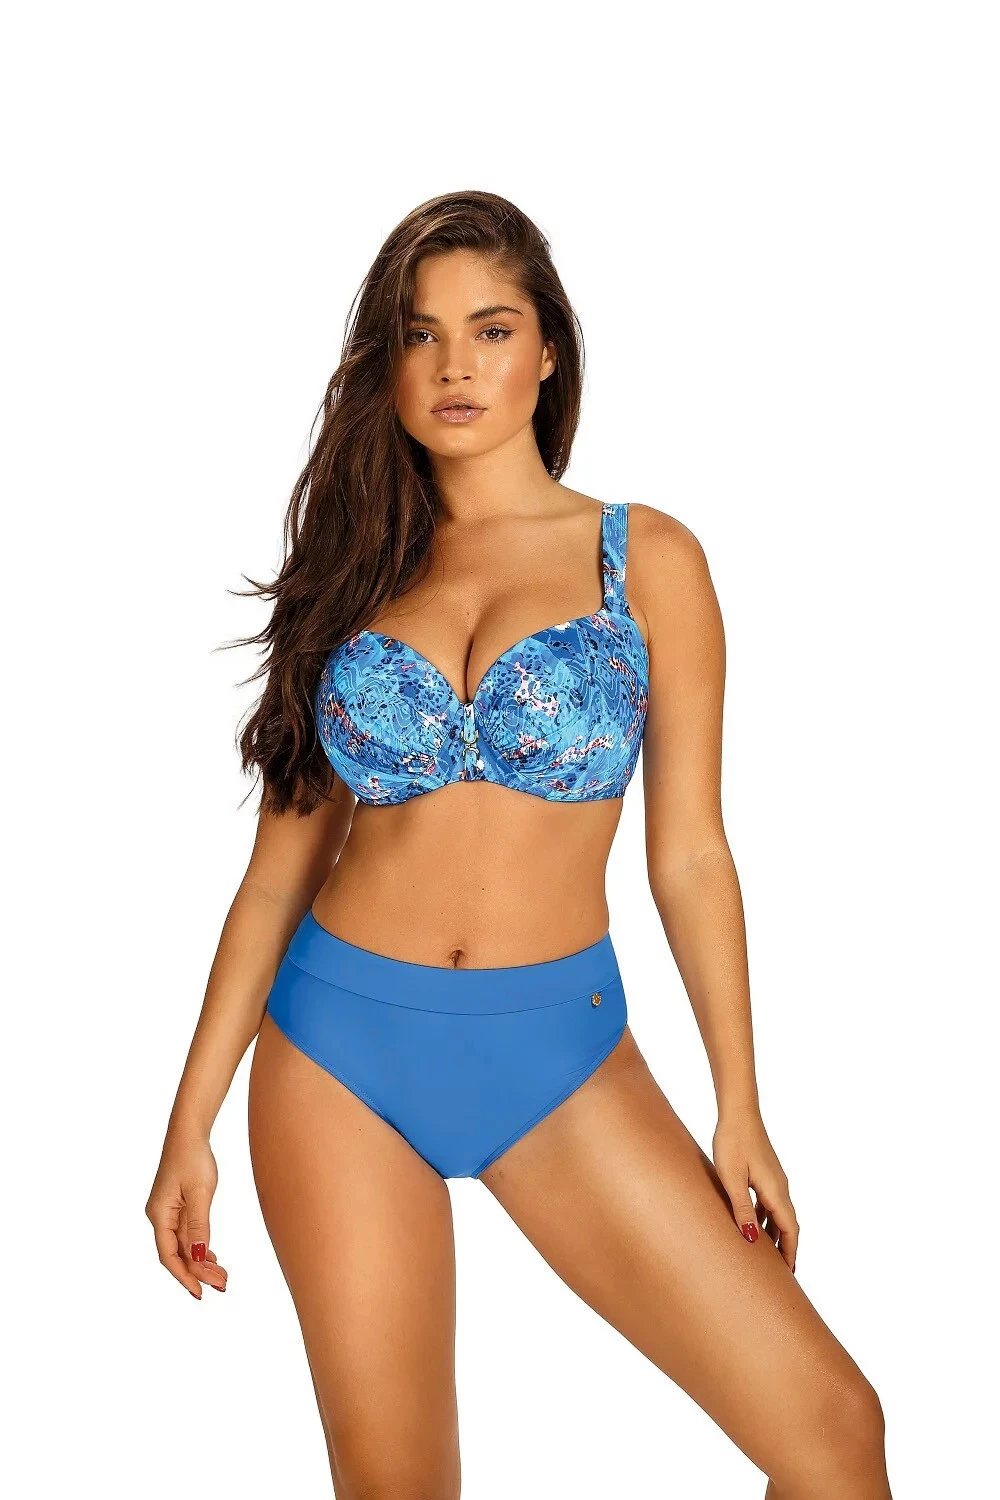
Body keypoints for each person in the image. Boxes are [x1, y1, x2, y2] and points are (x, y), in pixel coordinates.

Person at [146, 190, 892, 1498]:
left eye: (490, 330)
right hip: (336, 1056)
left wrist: (739, 1104)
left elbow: (691, 855)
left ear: (547, 350)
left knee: (833, 1436)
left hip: (560, 1051)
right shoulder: (355, 570)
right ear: (387, 365)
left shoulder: (644, 561)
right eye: (421, 335)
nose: (456, 366)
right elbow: (276, 878)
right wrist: (188, 1122)